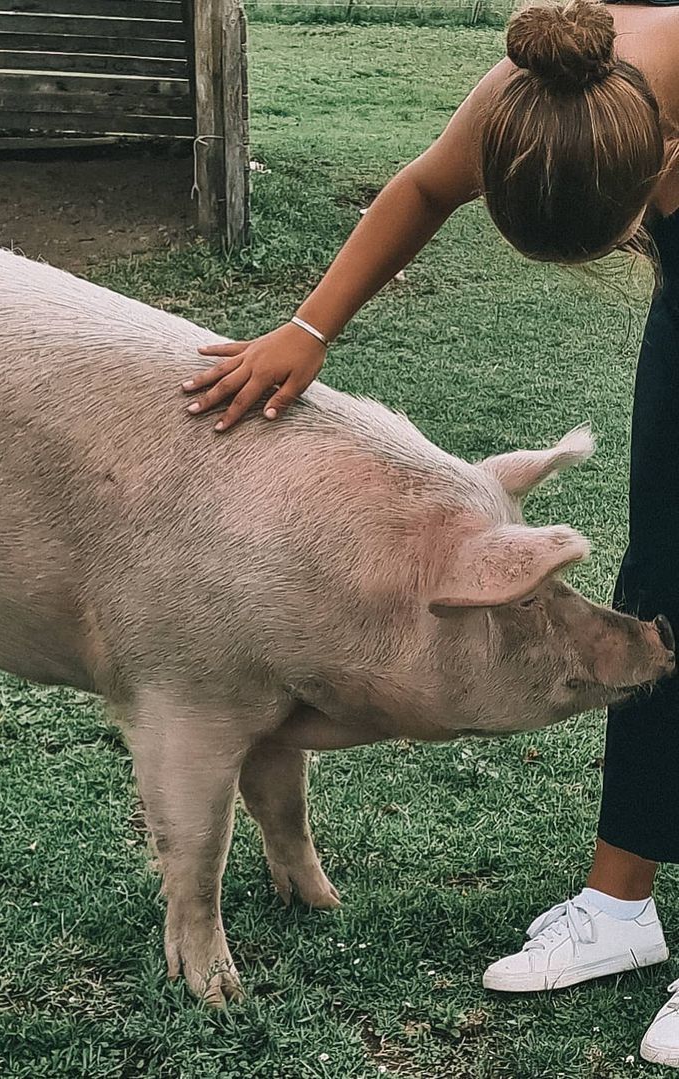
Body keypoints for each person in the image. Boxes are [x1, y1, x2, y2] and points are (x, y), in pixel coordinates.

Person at [183, 0, 679, 1064]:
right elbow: (419, 188)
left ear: (667, 159)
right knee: (664, 588)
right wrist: (308, 327)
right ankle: (620, 903)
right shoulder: (536, 98)